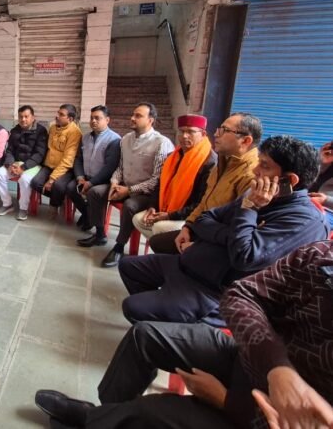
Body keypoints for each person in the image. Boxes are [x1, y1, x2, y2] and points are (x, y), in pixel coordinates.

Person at [33, 240, 333, 429]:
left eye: (265, 167)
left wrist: (226, 401)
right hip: (250, 356)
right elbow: (241, 294)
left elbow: (243, 254)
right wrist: (277, 368)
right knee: (144, 335)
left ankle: (100, 420)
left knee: (153, 411)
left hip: (262, 415)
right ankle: (105, 414)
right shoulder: (321, 255)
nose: (257, 174)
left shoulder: (299, 221)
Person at [119, 135, 329, 325]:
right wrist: (234, 234)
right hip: (192, 264)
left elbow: (244, 256)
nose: (255, 170)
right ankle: (161, 322)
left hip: (214, 291)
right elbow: (204, 219)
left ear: (289, 180)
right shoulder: (256, 193)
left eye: (264, 166)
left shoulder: (304, 220)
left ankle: (166, 327)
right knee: (128, 266)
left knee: (133, 307)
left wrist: (250, 209)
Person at [148, 112, 262, 255]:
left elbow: (238, 228)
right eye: (181, 131)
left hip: (216, 241)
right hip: (200, 227)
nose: (216, 134)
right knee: (156, 241)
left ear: (245, 141)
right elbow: (204, 202)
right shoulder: (222, 163)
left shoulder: (251, 175)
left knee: (148, 253)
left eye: (224, 130)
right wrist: (188, 227)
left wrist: (198, 243)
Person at [80, 102, 174, 268]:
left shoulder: (161, 143)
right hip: (123, 185)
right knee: (95, 192)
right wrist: (114, 183)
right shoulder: (126, 139)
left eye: (138, 116)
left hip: (146, 193)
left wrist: (129, 190)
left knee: (130, 205)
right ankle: (100, 234)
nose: (132, 118)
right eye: (133, 114)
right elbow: (120, 168)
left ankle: (119, 247)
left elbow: (157, 179)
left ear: (150, 120)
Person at [132, 115, 216, 239]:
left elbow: (201, 203)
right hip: (166, 208)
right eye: (181, 131)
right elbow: (160, 185)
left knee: (159, 228)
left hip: (191, 216)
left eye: (190, 132)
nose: (184, 136)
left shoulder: (209, 162)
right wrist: (152, 207)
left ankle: (165, 246)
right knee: (138, 219)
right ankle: (163, 246)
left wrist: (170, 216)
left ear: (203, 134)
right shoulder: (173, 156)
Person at [66, 105, 121, 232]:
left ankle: (95, 225)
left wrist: (91, 183)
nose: (93, 121)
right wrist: (80, 178)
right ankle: (87, 214)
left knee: (93, 192)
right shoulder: (85, 138)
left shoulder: (114, 140)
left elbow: (110, 167)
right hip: (85, 176)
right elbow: (78, 159)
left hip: (103, 180)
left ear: (107, 120)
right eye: (91, 118)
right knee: (70, 188)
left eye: (97, 118)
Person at [0, 105, 48, 220]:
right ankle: (7, 204)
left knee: (24, 179)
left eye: (26, 116)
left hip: (33, 164)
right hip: (16, 163)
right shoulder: (15, 131)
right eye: (20, 117)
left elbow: (39, 154)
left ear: (33, 117)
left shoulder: (41, 131)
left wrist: (23, 167)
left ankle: (23, 208)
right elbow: (9, 150)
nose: (23, 119)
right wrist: (10, 164)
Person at [30, 104, 83, 219]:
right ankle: (60, 199)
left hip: (66, 169)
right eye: (58, 113)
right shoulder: (53, 127)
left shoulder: (75, 132)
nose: (57, 116)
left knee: (58, 186)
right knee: (35, 182)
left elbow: (68, 159)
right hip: (49, 165)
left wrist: (52, 179)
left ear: (70, 119)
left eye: (61, 114)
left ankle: (54, 205)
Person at [309, 140, 333, 228]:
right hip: (305, 202)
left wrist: (325, 200)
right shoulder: (326, 160)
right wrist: (320, 160)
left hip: (328, 211)